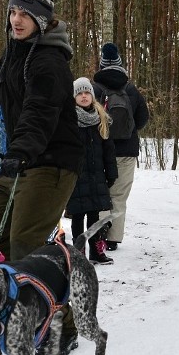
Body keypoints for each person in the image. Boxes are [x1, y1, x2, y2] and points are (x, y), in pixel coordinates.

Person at [0, 0, 83, 354]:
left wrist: (20, 151)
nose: (17, 20)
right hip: (21, 157)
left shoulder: (50, 62)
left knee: (23, 245)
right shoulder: (18, 47)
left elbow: (39, 112)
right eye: (13, 11)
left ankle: (61, 325)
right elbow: (5, 72)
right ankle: (16, 287)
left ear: (42, 19)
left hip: (51, 163)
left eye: (26, 14)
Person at [93, 43, 150, 252]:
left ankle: (98, 233)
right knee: (119, 196)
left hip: (99, 149)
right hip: (126, 151)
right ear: (121, 64)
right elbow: (143, 118)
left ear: (101, 64)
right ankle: (113, 238)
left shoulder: (95, 88)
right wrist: (130, 130)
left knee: (100, 193)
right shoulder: (130, 89)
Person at [67, 77, 118, 265]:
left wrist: (111, 173)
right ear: (74, 97)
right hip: (77, 177)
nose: (83, 96)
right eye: (79, 93)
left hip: (97, 176)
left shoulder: (101, 118)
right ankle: (78, 252)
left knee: (95, 216)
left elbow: (109, 150)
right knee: (78, 216)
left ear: (92, 95)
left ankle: (96, 251)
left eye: (87, 92)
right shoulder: (69, 119)